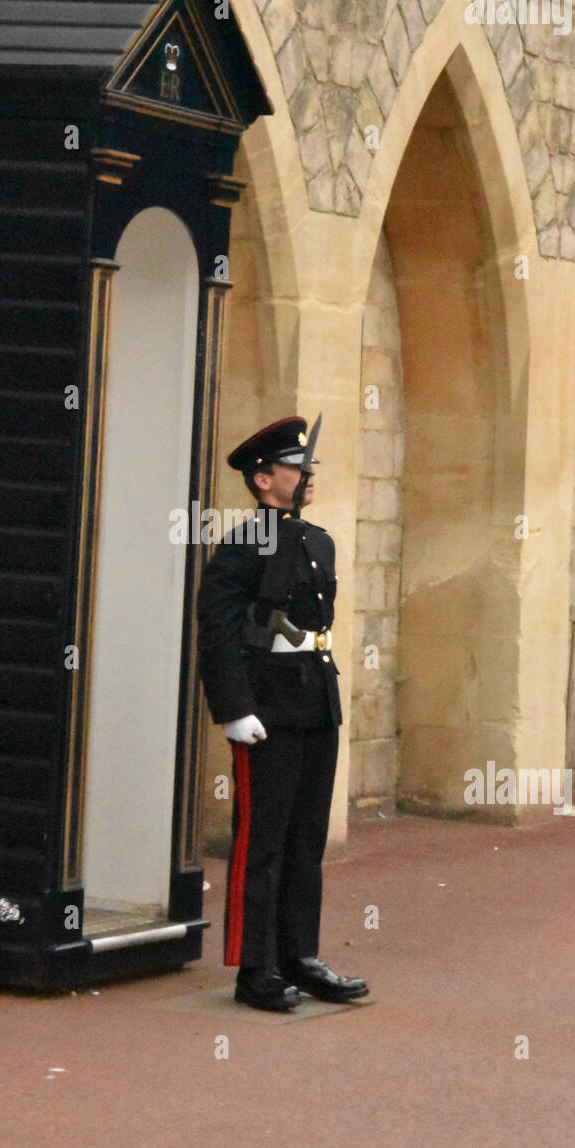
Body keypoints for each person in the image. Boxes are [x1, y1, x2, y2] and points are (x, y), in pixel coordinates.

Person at [197, 416, 369, 1012]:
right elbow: (217, 629)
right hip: (267, 703)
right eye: (297, 468)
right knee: (261, 840)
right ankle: (256, 966)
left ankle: (299, 954)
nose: (309, 475)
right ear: (263, 479)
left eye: (308, 466)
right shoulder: (245, 543)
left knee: (306, 838)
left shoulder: (317, 540)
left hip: (315, 696)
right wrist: (234, 709)